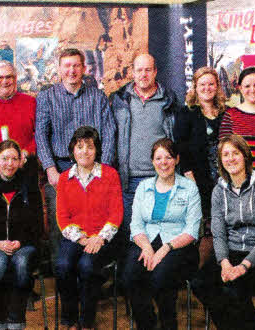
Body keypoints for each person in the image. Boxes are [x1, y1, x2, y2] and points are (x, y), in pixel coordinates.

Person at [35, 48, 116, 267]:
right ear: (59, 69)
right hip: (61, 168)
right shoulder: (47, 97)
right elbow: (41, 134)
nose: (71, 70)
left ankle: (91, 275)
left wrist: (104, 170)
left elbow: (109, 132)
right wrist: (51, 169)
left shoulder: (97, 96)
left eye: (76, 66)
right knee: (58, 224)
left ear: (83, 68)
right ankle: (62, 278)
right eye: (67, 66)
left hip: (94, 168)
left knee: (95, 219)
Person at [192, 134, 255, 330]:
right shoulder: (219, 190)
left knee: (232, 289)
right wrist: (224, 262)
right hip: (230, 252)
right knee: (200, 283)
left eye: (235, 153)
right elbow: (219, 232)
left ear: (245, 156)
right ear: (220, 161)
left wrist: (244, 266)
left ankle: (245, 321)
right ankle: (246, 321)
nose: (231, 158)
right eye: (225, 154)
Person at [122, 138, 201, 330]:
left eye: (168, 157)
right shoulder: (143, 187)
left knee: (160, 278)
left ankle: (168, 324)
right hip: (146, 242)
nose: (163, 162)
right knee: (129, 277)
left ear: (177, 159)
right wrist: (147, 247)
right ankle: (146, 323)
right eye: (158, 158)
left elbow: (192, 230)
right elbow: (136, 224)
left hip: (179, 246)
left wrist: (165, 248)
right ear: (152, 162)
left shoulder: (189, 187)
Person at [55, 126, 123, 330]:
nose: (85, 151)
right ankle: (70, 319)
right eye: (80, 147)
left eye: (90, 147)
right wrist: (82, 239)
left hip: (103, 238)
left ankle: (86, 321)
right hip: (75, 237)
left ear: (97, 150)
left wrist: (100, 238)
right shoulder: (64, 178)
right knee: (62, 266)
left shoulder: (110, 175)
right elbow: (62, 216)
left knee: (87, 266)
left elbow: (116, 213)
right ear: (73, 151)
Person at [110, 53, 181, 241]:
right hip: (129, 179)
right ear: (132, 73)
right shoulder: (119, 100)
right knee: (131, 235)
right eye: (139, 70)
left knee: (159, 233)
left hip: (160, 178)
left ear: (155, 72)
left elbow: (176, 140)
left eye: (148, 70)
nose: (143, 74)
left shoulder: (169, 100)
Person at [0, 140, 43, 330]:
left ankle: (16, 321)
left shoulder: (29, 186)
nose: (10, 164)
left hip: (24, 245)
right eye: (5, 158)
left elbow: (38, 226)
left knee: (21, 263)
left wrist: (20, 242)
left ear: (21, 161)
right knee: (0, 262)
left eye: (14, 158)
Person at [174, 66, 226, 268]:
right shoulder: (186, 113)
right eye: (202, 84)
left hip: (222, 178)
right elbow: (180, 146)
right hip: (197, 178)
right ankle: (200, 273)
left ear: (217, 86)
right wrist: (189, 176)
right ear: (195, 87)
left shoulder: (225, 113)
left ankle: (220, 270)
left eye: (211, 83)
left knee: (221, 225)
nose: (207, 88)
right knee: (205, 227)